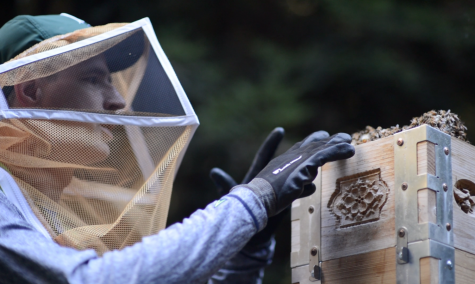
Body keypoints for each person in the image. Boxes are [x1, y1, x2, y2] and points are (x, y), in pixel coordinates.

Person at [0, 14, 355, 283]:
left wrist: (247, 250)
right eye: (93, 80)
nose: (119, 101)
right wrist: (251, 202)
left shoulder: (60, 204)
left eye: (111, 80)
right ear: (30, 92)